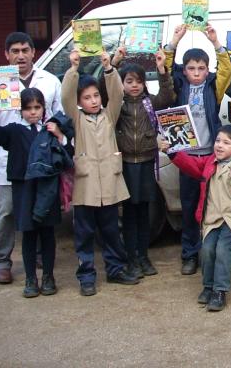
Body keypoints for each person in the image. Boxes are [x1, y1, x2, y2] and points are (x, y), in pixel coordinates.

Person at [0, 32, 63, 285]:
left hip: (42, 160)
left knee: (41, 207)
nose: (20, 56)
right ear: (6, 55)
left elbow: (59, 114)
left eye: (25, 50)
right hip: (11, 160)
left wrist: (62, 142)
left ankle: (40, 256)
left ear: (33, 52)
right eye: (15, 51)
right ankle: (1, 261)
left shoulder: (50, 81)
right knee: (8, 210)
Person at [0, 88, 71, 297]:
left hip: (47, 189)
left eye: (37, 108)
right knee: (28, 234)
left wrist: (60, 134)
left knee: (47, 234)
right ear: (20, 110)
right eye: (28, 108)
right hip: (23, 189)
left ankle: (48, 277)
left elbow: (68, 152)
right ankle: (30, 279)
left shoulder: (50, 130)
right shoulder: (14, 131)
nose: (33, 112)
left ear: (44, 109)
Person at [164, 125, 231, 312]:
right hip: (212, 216)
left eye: (226, 143)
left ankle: (220, 291)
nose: (219, 146)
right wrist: (171, 152)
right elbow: (191, 165)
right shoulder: (210, 162)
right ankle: (208, 286)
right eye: (218, 141)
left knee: (222, 248)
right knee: (208, 249)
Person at [62, 50, 139, 296]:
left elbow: (117, 94)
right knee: (84, 233)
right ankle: (86, 275)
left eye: (96, 96)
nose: (94, 101)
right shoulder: (75, 118)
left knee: (110, 231)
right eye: (87, 97)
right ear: (79, 101)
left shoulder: (109, 115)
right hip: (86, 187)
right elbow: (65, 96)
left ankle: (115, 269)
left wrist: (108, 68)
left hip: (109, 184)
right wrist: (73, 69)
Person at [165, 23, 231, 276]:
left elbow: (227, 69)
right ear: (184, 70)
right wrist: (174, 41)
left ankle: (211, 252)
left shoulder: (213, 87)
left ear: (207, 70)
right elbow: (165, 67)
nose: (196, 73)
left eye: (201, 68)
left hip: (210, 156)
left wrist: (215, 42)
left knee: (213, 206)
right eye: (191, 68)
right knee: (189, 205)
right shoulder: (178, 86)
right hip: (186, 156)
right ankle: (189, 255)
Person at [104, 46, 175, 279]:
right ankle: (131, 258)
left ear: (145, 84)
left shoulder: (149, 102)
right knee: (130, 214)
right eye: (129, 81)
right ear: (122, 83)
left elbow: (167, 96)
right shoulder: (118, 104)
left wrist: (162, 68)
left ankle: (143, 256)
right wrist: (112, 64)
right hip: (125, 164)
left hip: (146, 163)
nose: (134, 85)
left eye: (139, 81)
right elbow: (105, 90)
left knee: (144, 212)